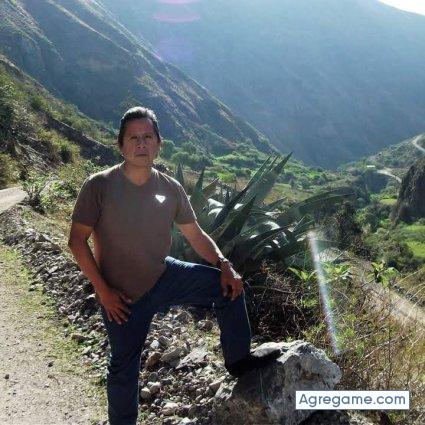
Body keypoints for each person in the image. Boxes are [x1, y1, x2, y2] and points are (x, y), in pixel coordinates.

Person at [68, 106, 280, 425]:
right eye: (133, 138)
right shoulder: (99, 185)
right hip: (121, 295)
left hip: (163, 274)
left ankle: (238, 360)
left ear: (159, 143)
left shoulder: (170, 188)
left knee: (227, 287)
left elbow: (195, 235)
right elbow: (76, 241)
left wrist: (224, 264)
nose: (141, 144)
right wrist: (104, 293)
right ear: (120, 144)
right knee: (123, 367)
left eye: (147, 137)